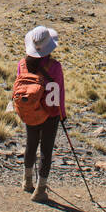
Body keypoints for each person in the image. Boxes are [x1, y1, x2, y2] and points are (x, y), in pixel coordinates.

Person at [15, 25, 66, 202]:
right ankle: (40, 189)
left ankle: (27, 181)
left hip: (31, 111)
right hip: (50, 113)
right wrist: (62, 114)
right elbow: (59, 92)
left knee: (30, 144)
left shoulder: (22, 65)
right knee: (46, 150)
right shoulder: (55, 67)